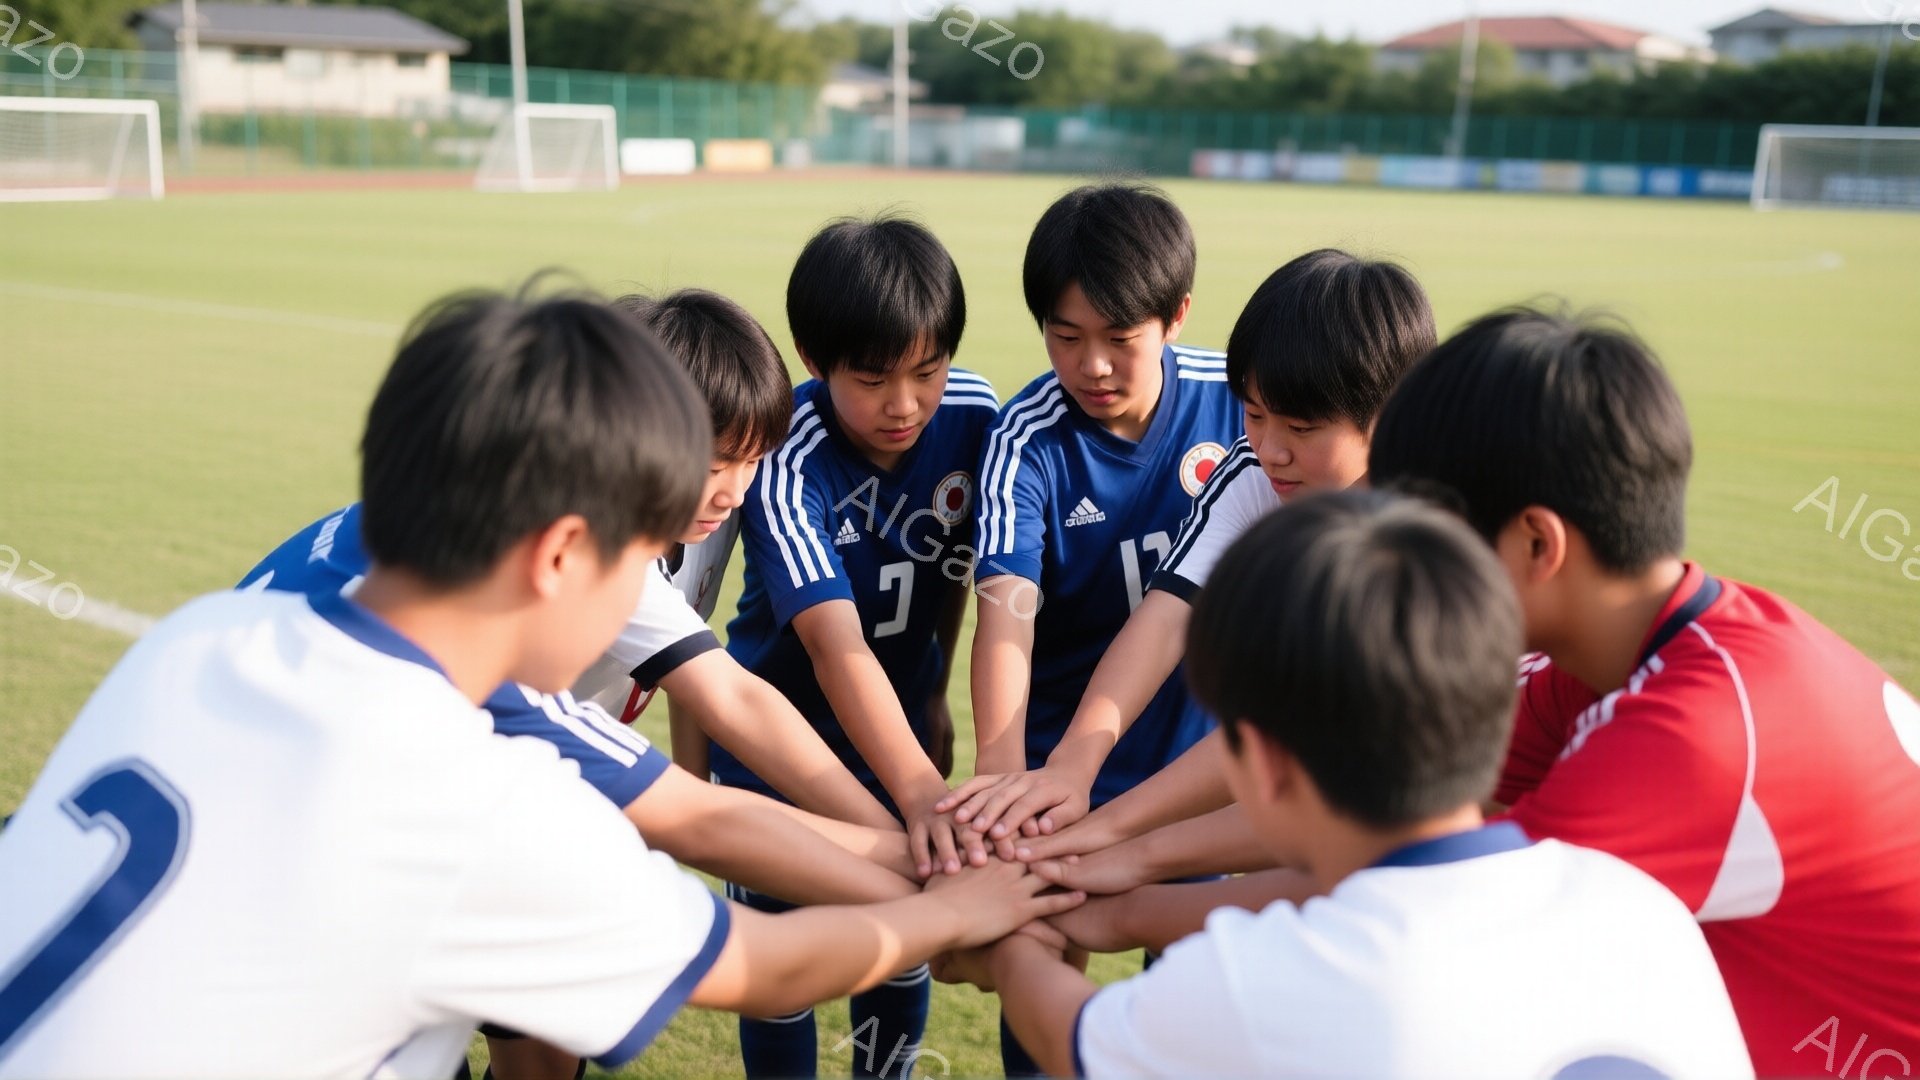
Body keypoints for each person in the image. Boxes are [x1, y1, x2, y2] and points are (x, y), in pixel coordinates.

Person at [0, 284, 1080, 1079]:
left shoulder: (202, 634)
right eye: (641, 557)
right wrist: (965, 911)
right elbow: (763, 960)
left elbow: (702, 811)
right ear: (564, 554)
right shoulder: (483, 800)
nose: (656, 595)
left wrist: (933, 856)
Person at [942, 490, 1754, 1080]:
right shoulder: (1638, 904)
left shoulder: (1279, 979)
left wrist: (1009, 944)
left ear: (1259, 762)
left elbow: (1075, 1037)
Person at [1364, 304, 1920, 1076]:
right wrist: (1135, 847)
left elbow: (1420, 915)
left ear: (1535, 542)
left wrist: (1141, 902)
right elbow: (1360, 784)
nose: (1416, 579)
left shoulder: (1696, 735)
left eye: (1429, 545)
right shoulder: (1661, 650)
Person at [944, 248, 1435, 859]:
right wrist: (1073, 767)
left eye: (1302, 430)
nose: (1270, 448)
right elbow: (1167, 615)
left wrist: (1116, 839)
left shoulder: (1446, 526)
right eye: (1254, 415)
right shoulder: (1252, 476)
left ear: (1390, 412)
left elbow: (1302, 747)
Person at [716, 213, 999, 1078]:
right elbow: (836, 649)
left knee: (898, 944)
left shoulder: (975, 417)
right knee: (779, 970)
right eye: (873, 379)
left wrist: (931, 709)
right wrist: (920, 792)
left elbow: (958, 575)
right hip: (780, 757)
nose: (905, 404)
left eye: (928, 370)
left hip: (895, 744)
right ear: (812, 359)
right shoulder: (785, 453)